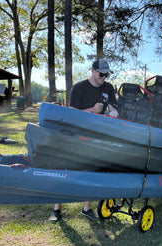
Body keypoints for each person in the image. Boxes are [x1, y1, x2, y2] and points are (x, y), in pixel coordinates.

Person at [49, 59, 119, 222]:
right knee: (63, 168)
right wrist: (92, 111)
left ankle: (87, 208)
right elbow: (72, 114)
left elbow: (114, 106)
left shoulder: (108, 87)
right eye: (101, 74)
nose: (104, 77)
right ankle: (56, 209)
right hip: (75, 134)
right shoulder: (79, 88)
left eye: (106, 74)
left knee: (92, 170)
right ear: (93, 71)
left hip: (97, 135)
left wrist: (113, 111)